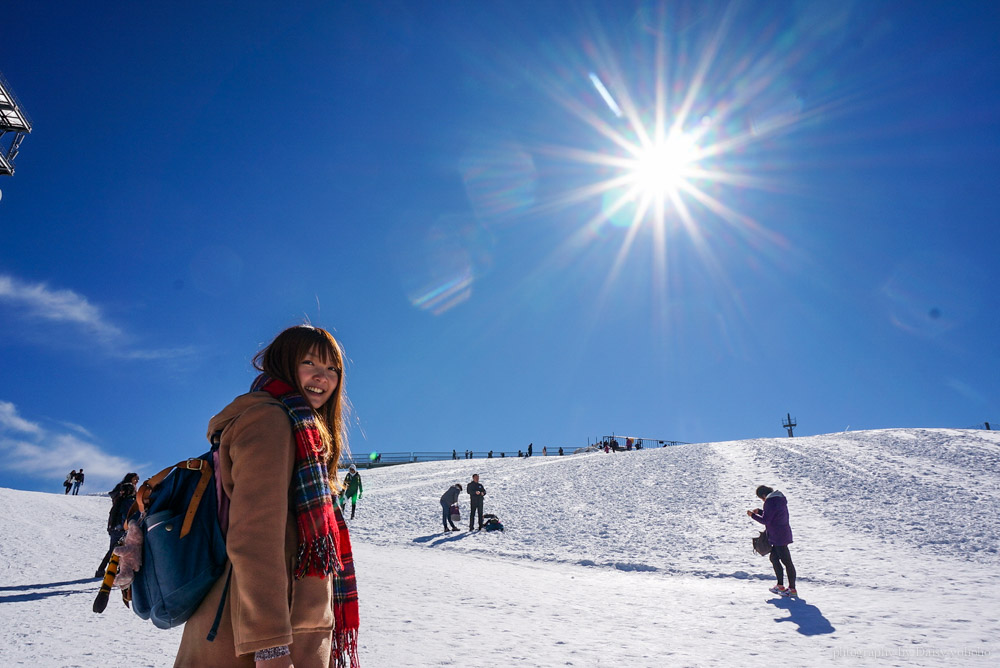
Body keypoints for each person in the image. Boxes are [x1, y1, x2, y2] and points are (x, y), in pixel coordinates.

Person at [174, 325, 359, 668]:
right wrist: (270, 647)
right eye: (309, 363)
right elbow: (254, 537)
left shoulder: (300, 427)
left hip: (287, 626)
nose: (323, 377)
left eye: (332, 368)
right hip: (252, 636)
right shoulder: (271, 420)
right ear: (284, 364)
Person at [748, 485, 797, 598]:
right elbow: (773, 516)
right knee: (774, 558)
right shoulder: (779, 499)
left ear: (764, 495)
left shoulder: (770, 502)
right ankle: (780, 585)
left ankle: (792, 589)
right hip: (781, 533)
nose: (763, 500)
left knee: (787, 562)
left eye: (761, 499)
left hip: (778, 535)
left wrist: (753, 516)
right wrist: (760, 511)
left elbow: (766, 520)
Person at [96, 473, 139, 578]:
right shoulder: (126, 496)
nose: (137, 481)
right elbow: (128, 514)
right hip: (120, 526)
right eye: (136, 479)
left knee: (114, 549)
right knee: (117, 549)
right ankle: (114, 571)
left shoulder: (121, 498)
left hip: (114, 525)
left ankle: (103, 570)